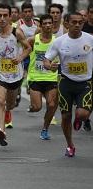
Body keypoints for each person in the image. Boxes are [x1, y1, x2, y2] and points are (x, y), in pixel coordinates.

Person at [44, 12, 93, 157]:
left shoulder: (90, 39)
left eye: (80, 22)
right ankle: (70, 145)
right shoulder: (59, 41)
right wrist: (49, 65)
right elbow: (46, 59)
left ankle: (79, 118)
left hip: (85, 81)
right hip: (66, 82)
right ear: (66, 24)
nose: (77, 25)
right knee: (65, 117)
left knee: (82, 114)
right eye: (74, 22)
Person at [0, 3, 31, 146]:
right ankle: (1, 130)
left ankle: (8, 112)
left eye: (5, 15)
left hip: (14, 75)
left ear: (10, 16)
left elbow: (28, 48)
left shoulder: (16, 33)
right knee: (0, 101)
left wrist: (20, 57)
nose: (2, 19)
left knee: (10, 104)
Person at [27, 14, 58, 140]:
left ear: (53, 25)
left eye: (49, 23)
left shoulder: (57, 41)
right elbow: (24, 51)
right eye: (44, 23)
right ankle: (32, 107)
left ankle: (45, 129)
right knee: (37, 107)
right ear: (40, 26)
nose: (47, 25)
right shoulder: (33, 40)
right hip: (36, 77)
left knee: (51, 105)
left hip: (51, 77)